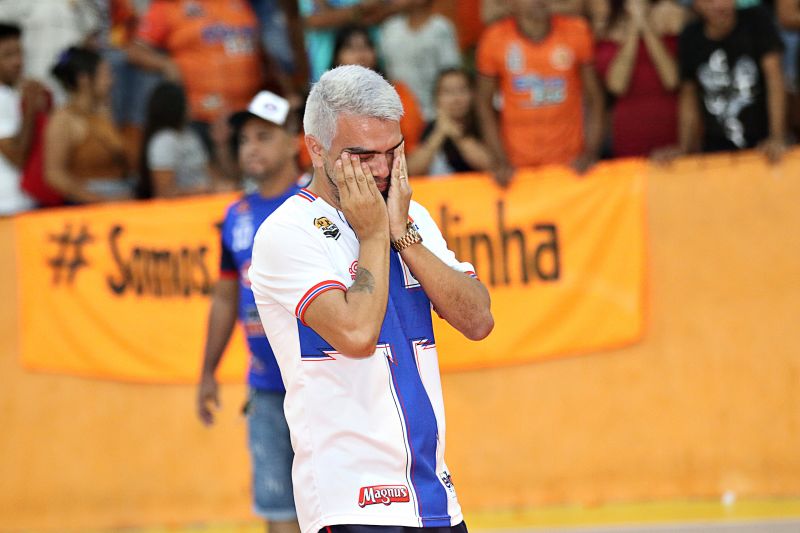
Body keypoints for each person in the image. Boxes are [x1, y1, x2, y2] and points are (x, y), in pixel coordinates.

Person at [248, 64, 494, 533]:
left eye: (393, 152)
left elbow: (478, 320)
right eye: (363, 157)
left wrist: (405, 235)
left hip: (433, 495)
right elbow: (357, 333)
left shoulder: (410, 214)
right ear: (316, 150)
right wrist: (377, 236)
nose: (382, 171)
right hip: (350, 502)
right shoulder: (287, 232)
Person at [197, 90, 305, 533]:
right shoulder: (236, 215)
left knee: (337, 511)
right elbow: (224, 297)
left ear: (294, 142)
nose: (251, 148)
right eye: (244, 140)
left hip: (321, 384)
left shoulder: (318, 204)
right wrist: (207, 371)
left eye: (264, 136)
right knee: (277, 512)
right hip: (264, 389)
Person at [476, 0, 605, 186]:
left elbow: (595, 98)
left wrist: (591, 151)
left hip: (570, 165)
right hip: (517, 168)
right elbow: (483, 103)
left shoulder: (577, 31)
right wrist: (499, 160)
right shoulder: (494, 38)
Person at [656, 0, 787, 162]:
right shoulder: (690, 37)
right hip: (716, 152)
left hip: (763, 148)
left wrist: (777, 136)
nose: (720, 5)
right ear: (696, 4)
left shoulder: (757, 19)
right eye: (710, 1)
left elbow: (775, 80)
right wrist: (685, 147)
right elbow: (688, 97)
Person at [594, 0, 687, 157]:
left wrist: (645, 23)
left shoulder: (674, 14)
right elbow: (617, 86)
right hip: (628, 128)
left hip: (671, 124)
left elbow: (672, 80)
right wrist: (634, 27)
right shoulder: (604, 21)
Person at [44, 46, 131, 203]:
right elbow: (55, 175)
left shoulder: (105, 112)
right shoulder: (63, 119)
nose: (111, 81)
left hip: (121, 198)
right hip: (89, 208)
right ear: (84, 79)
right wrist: (100, 201)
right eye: (105, 75)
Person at [332, 25, 425, 154]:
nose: (360, 54)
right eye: (351, 48)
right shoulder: (326, 99)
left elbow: (412, 143)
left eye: (366, 46)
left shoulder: (397, 92)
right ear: (337, 57)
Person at [378, 0, 462, 120]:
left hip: (435, 116)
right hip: (399, 117)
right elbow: (385, 75)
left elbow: (450, 74)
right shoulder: (389, 29)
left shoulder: (441, 28)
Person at [298, 0, 412, 82]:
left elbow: (382, 10)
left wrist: (333, 14)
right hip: (323, 69)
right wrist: (361, 10)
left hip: (374, 65)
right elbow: (311, 21)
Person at [407, 68, 493, 176]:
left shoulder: (485, 123)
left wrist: (457, 135)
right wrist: (439, 133)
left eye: (462, 90)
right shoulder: (431, 127)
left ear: (473, 94)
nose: (456, 99)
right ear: (436, 98)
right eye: (447, 92)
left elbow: (491, 165)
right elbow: (411, 171)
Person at [136, 81, 215, 199]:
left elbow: (210, 174)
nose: (190, 106)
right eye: (186, 102)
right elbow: (164, 193)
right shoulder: (163, 141)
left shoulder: (190, 135)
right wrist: (200, 191)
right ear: (176, 106)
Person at [0, 22, 42, 215]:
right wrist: (30, 109)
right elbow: (16, 157)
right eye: (8, 55)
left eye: (20, 53)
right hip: (8, 207)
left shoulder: (12, 94)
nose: (18, 61)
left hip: (20, 203)